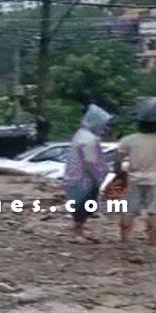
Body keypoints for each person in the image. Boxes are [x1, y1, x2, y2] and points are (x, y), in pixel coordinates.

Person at [64, 104, 113, 243]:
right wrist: (95, 177)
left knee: (81, 205)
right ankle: (77, 233)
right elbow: (90, 161)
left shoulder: (80, 135)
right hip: (85, 178)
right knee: (83, 205)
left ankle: (80, 231)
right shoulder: (89, 139)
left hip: (76, 176)